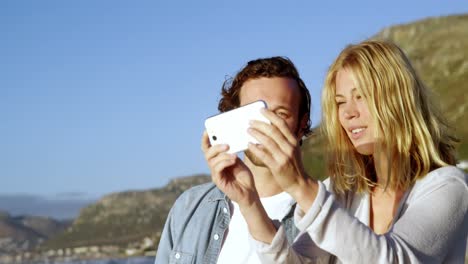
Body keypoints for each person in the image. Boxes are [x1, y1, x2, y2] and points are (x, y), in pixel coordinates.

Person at [212, 40, 468, 263]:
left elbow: (393, 259)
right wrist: (249, 202)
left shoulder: (449, 187)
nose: (348, 113)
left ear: (397, 98)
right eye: (340, 102)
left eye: (361, 96)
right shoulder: (344, 191)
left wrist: (300, 185)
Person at [154, 56, 314, 263]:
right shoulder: (189, 207)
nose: (265, 126)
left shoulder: (320, 214)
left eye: (279, 114)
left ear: (302, 124)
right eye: (254, 113)